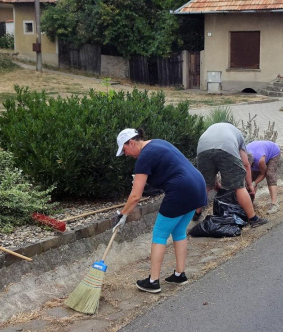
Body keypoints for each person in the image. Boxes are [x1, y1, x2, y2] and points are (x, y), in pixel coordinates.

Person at [114, 128, 207, 294]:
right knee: (179, 231)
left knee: (159, 234)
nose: (126, 154)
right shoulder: (157, 143)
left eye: (124, 150)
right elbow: (167, 170)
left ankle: (153, 281)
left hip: (181, 190)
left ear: (132, 142)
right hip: (197, 185)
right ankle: (179, 274)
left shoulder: (143, 157)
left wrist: (123, 214)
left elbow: (135, 196)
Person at [194, 122, 268, 227]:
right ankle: (253, 219)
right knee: (238, 186)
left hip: (202, 150)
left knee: (205, 185)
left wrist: (216, 185)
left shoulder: (212, 128)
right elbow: (246, 164)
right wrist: (250, 185)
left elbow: (212, 166)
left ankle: (196, 213)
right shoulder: (237, 133)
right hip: (226, 148)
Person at [246, 140, 281, 214]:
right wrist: (250, 184)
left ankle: (274, 204)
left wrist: (254, 183)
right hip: (260, 150)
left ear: (252, 162)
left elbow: (263, 174)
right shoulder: (242, 157)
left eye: (249, 166)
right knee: (251, 178)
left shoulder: (260, 160)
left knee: (270, 174)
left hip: (273, 152)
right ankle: (250, 204)